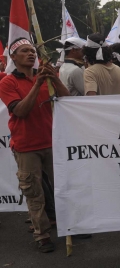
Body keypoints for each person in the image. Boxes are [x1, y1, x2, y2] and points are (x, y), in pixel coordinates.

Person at [0, 38, 70, 253]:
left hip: (52, 142)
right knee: (34, 193)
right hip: (26, 146)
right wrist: (38, 83)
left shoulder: (47, 76)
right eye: (24, 51)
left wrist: (53, 80)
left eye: (32, 51)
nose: (31, 54)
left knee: (63, 188)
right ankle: (42, 234)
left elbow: (67, 99)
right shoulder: (8, 82)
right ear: (13, 57)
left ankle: (70, 226)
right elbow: (20, 110)